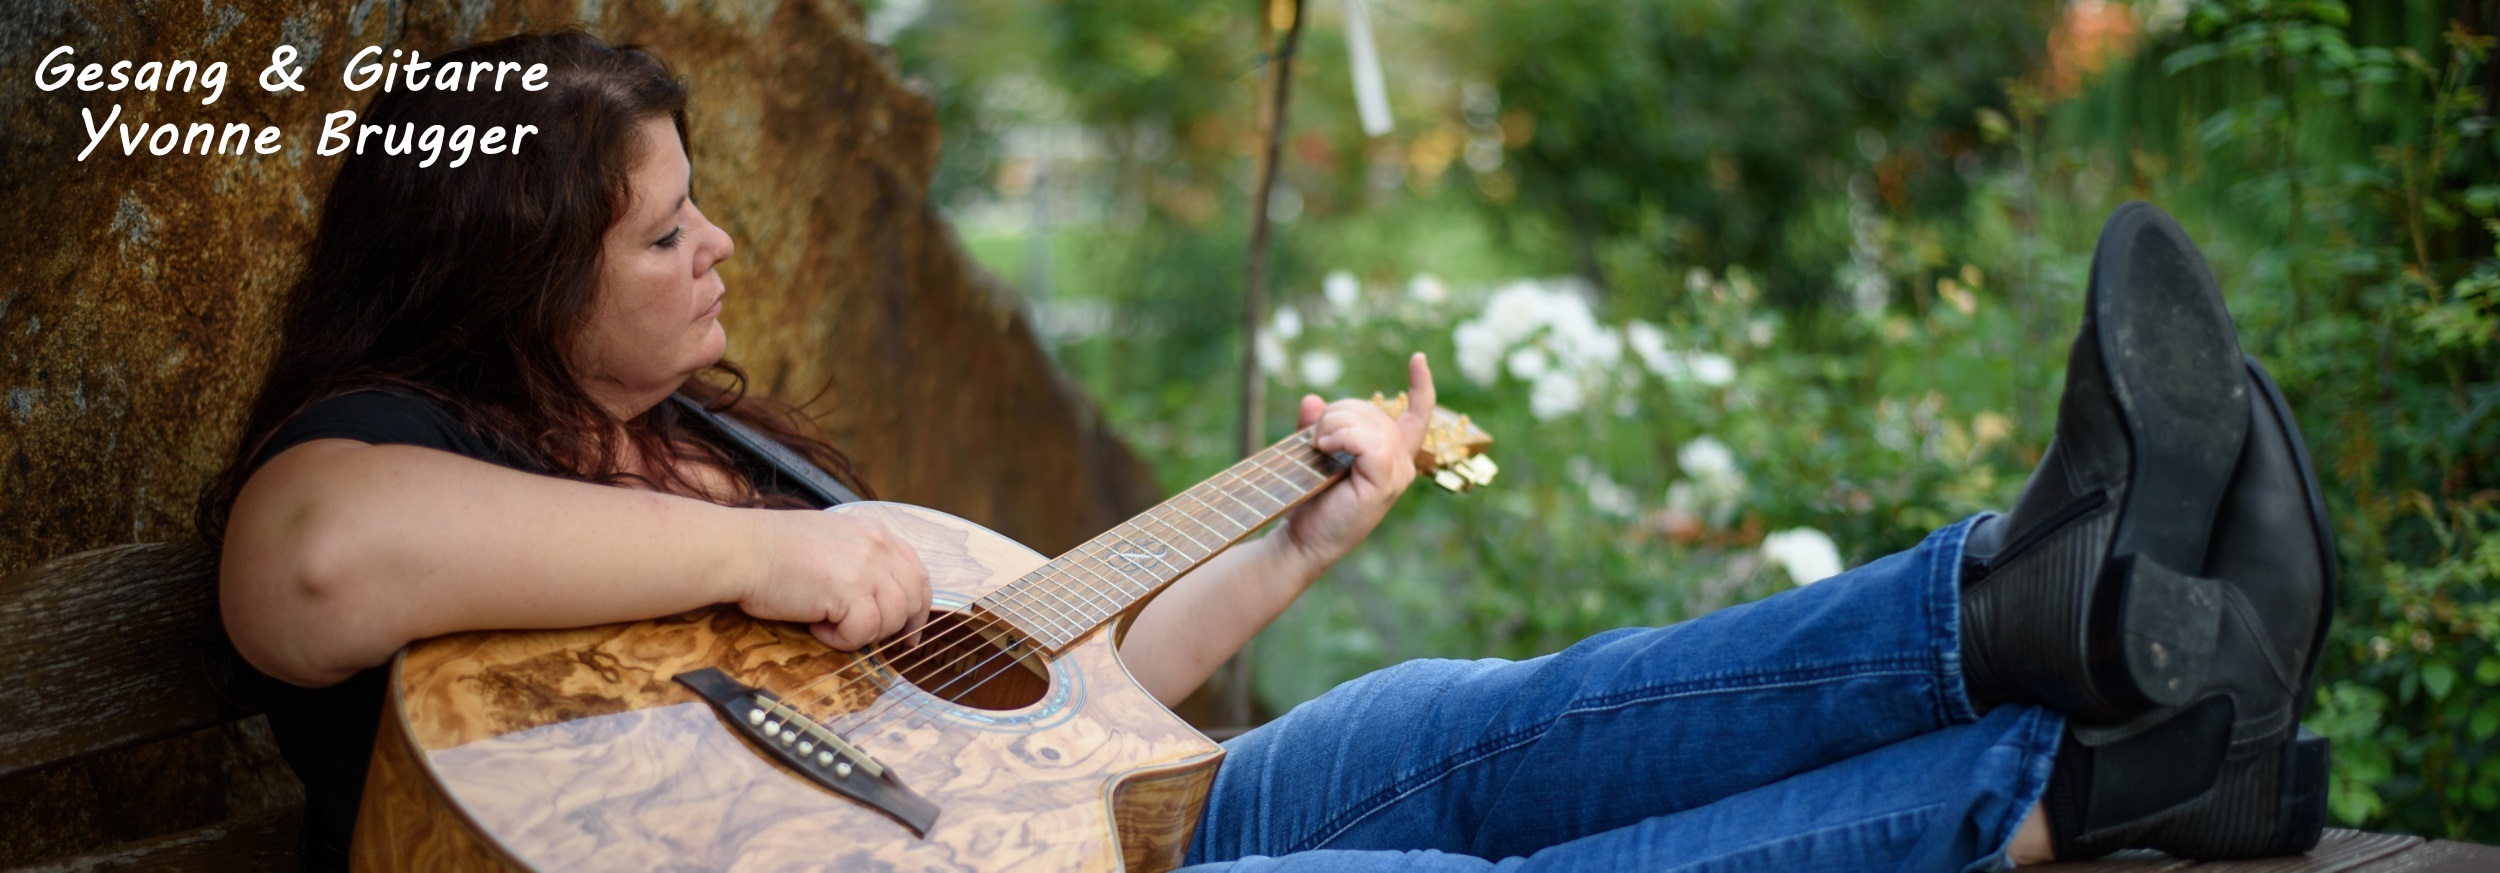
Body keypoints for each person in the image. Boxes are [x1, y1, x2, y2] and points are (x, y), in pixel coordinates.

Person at [199, 31, 2335, 873]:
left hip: (1106, 827)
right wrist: (763, 571)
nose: (720, 244)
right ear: (504, 273)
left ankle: (2037, 602)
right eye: (664, 229)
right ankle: (2083, 773)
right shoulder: (413, 450)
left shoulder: (732, 447)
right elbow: (305, 565)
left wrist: (1298, 532)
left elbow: (1062, 729)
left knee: (1461, 720)